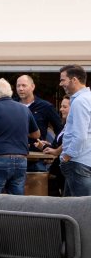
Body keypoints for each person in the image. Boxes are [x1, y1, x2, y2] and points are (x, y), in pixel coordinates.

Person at [58, 64, 91, 198]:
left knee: (81, 206)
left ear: (74, 80)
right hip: (83, 161)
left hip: (78, 162)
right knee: (70, 206)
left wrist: (67, 157)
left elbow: (80, 136)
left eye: (63, 80)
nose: (61, 84)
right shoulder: (87, 98)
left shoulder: (79, 101)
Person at [16, 74, 63, 154]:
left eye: (24, 85)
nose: (20, 89)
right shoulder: (11, 105)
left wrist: (53, 146)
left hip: (38, 155)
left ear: (33, 87)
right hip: (14, 154)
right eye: (18, 86)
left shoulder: (46, 106)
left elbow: (60, 130)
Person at [43, 96, 71, 196]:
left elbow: (69, 142)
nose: (61, 109)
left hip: (69, 166)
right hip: (59, 168)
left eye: (64, 107)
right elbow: (57, 144)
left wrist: (56, 152)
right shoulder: (65, 125)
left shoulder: (75, 126)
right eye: (61, 106)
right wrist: (45, 145)